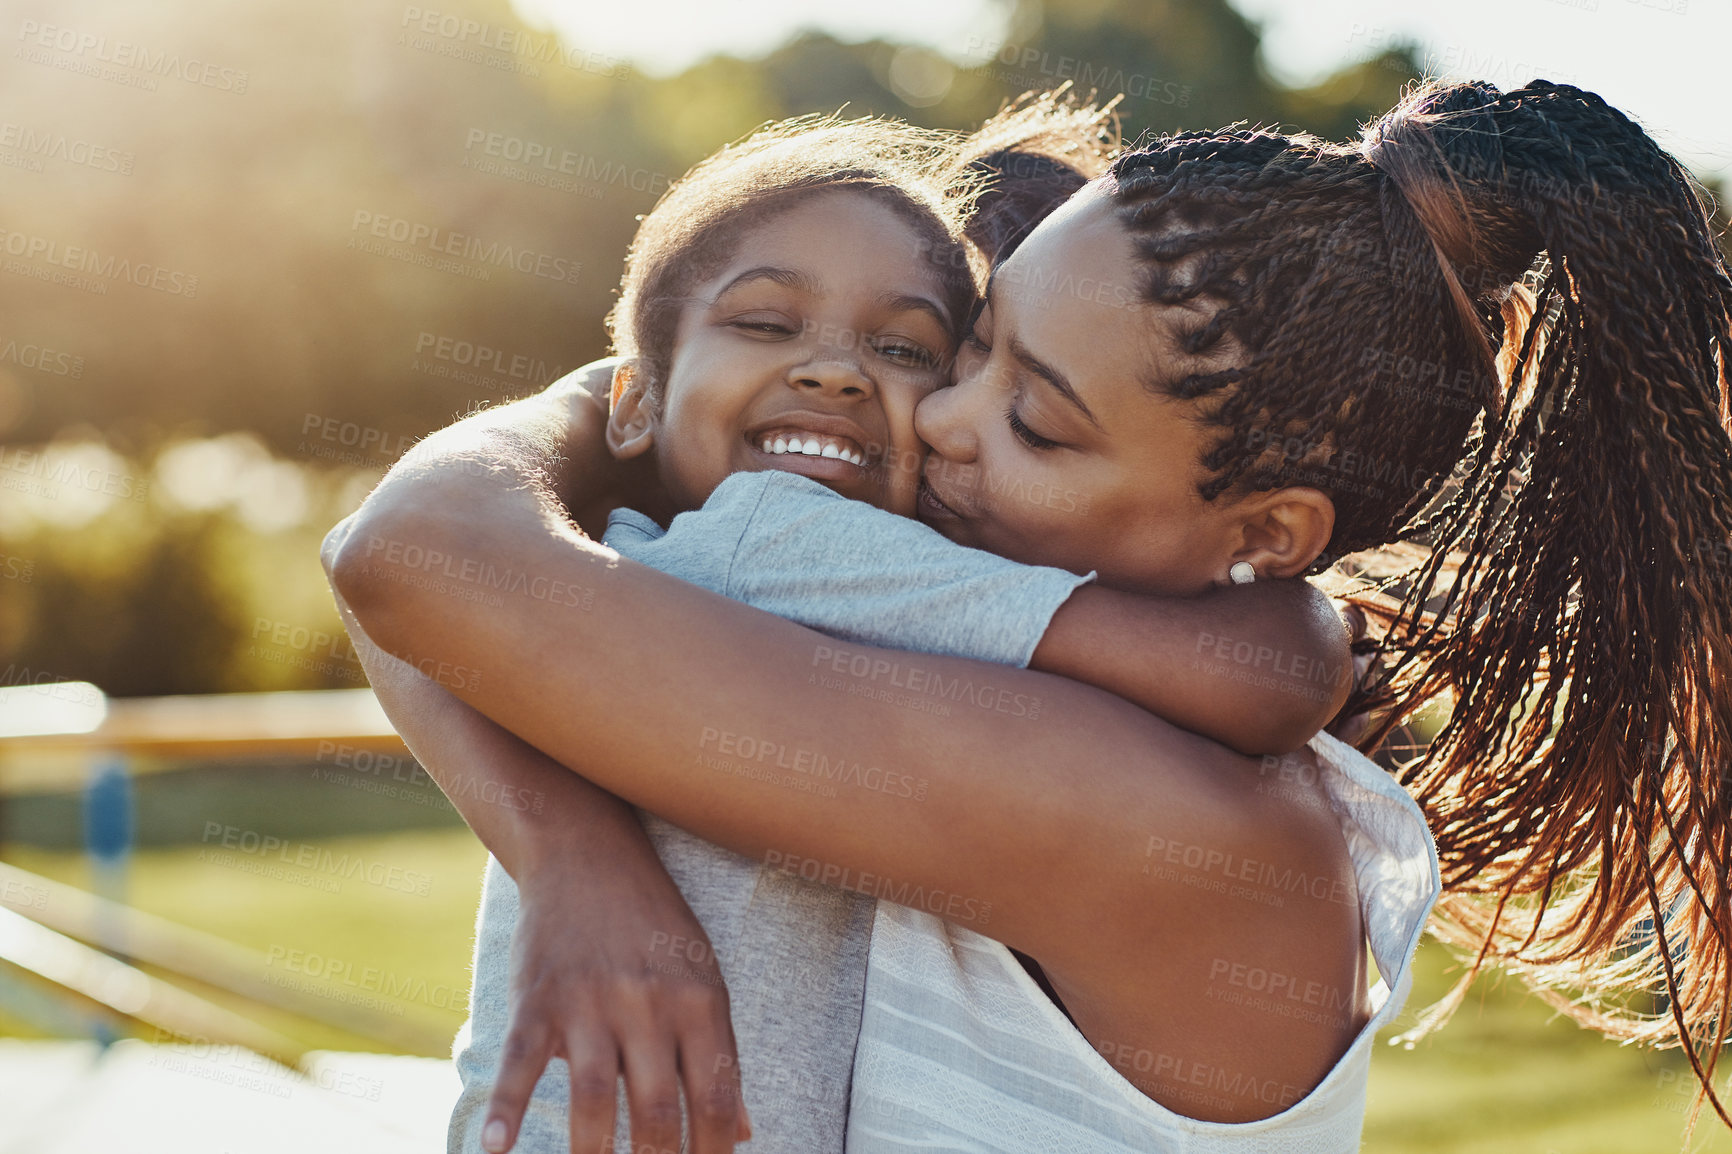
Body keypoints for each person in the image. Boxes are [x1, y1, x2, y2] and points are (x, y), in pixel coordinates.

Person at [335, 76, 1732, 1147]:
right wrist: (572, 850)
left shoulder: (1147, 812)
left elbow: (423, 559)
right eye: (975, 344)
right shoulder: (1099, 676)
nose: (935, 415)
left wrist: (613, 397)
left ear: (1264, 537)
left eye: (1036, 424)